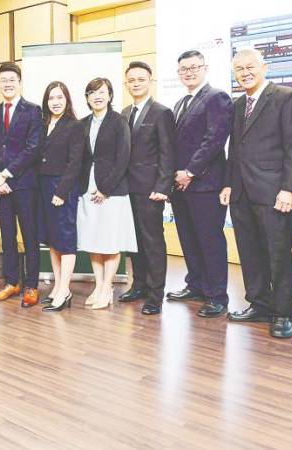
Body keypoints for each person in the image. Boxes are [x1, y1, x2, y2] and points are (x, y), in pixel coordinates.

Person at [221, 48, 292, 339]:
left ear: (264, 67)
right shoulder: (236, 105)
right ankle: (258, 303)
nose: (245, 73)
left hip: (274, 192)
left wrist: (289, 188)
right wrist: (230, 183)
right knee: (249, 251)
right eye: (239, 69)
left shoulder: (286, 97)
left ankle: (283, 312)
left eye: (250, 67)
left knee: (278, 254)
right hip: (242, 192)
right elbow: (235, 149)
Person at [167, 50, 234, 318]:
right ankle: (195, 285)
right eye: (183, 69)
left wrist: (191, 171)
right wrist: (175, 175)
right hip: (180, 185)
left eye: (194, 67)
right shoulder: (182, 102)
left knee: (210, 241)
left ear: (205, 68)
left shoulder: (216, 97)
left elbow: (214, 139)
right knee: (188, 238)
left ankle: (217, 296)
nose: (189, 72)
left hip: (205, 184)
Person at [0, 62, 43, 308]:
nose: (8, 83)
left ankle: (31, 285)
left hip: (25, 185)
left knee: (30, 236)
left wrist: (6, 173)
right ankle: (11, 282)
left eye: (12, 79)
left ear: (20, 82)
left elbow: (33, 148)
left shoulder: (33, 111)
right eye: (3, 80)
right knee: (7, 236)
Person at [118, 61, 176, 315]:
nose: (136, 83)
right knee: (134, 241)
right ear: (126, 83)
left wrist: (163, 186)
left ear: (150, 81)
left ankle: (155, 294)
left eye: (141, 79)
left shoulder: (161, 112)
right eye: (131, 80)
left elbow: (168, 153)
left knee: (153, 242)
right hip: (126, 188)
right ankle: (139, 285)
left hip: (151, 189)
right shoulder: (123, 113)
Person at [77, 77, 137, 309]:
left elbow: (123, 158)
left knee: (110, 240)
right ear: (87, 98)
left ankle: (107, 287)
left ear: (110, 95)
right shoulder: (82, 124)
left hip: (112, 191)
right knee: (94, 239)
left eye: (102, 92)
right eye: (92, 92)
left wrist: (105, 188)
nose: (97, 96)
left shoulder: (119, 121)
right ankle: (99, 285)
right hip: (88, 188)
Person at [35, 81, 83, 312]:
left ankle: (65, 290)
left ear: (67, 100)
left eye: (60, 98)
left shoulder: (74, 125)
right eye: (51, 98)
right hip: (43, 186)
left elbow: (75, 163)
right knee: (52, 239)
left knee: (65, 239)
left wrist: (62, 192)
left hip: (62, 186)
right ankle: (57, 286)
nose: (55, 102)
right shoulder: (43, 124)